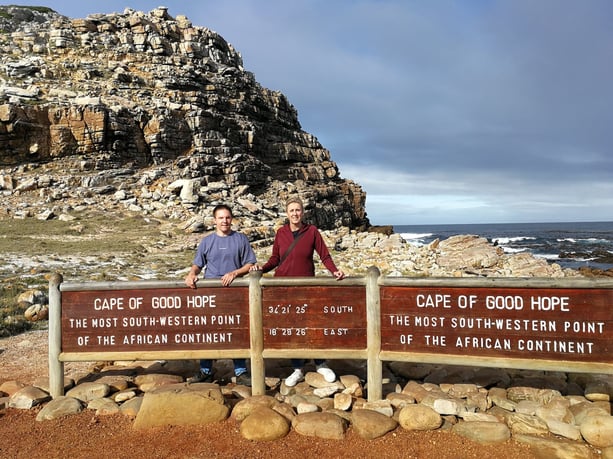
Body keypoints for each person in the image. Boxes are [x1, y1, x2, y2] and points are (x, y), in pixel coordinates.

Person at [251, 196, 345, 387]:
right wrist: (261, 269)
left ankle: (320, 363)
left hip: (305, 287)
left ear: (303, 212)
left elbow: (324, 255)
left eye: (298, 210)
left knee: (312, 324)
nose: (295, 213)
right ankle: (297, 368)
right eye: (291, 210)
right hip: (283, 288)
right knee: (291, 327)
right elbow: (275, 258)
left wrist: (334, 270)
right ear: (287, 213)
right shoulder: (281, 233)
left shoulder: (312, 232)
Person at [184, 204, 256, 386]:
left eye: (227, 217)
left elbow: (250, 264)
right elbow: (198, 264)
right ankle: (206, 370)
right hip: (211, 294)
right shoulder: (207, 242)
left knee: (236, 330)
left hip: (234, 293)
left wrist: (235, 273)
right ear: (214, 220)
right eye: (221, 218)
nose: (224, 221)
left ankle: (241, 371)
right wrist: (192, 273)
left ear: (232, 219)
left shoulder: (240, 239)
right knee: (208, 331)